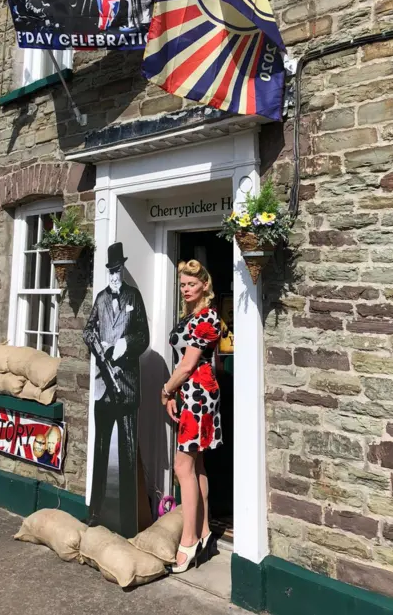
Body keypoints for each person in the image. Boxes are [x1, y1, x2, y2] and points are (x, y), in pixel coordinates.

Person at [83, 242, 149, 538]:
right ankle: (96, 512)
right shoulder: (99, 300)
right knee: (100, 449)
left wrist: (123, 345)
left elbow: (144, 337)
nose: (113, 276)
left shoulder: (134, 297)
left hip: (127, 386)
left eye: (117, 270)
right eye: (110, 271)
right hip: (102, 388)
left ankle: (127, 521)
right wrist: (97, 345)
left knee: (127, 450)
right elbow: (87, 330)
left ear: (122, 270)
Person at [162, 260, 222, 573]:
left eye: (192, 284)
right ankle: (205, 533)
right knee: (196, 465)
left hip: (198, 395)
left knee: (182, 465)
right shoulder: (192, 316)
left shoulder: (207, 317)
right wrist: (174, 393)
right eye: (183, 284)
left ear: (205, 286)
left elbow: (186, 366)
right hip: (189, 394)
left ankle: (188, 542)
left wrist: (165, 391)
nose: (186, 289)